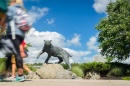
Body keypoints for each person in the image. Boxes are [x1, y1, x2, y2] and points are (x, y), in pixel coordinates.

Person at [0, 0, 30, 82]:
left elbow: (3, 21)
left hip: (13, 34)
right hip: (21, 34)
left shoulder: (11, 9)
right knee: (15, 53)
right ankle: (18, 75)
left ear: (13, 2)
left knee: (11, 53)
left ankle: (8, 74)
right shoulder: (21, 10)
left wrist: (1, 31)